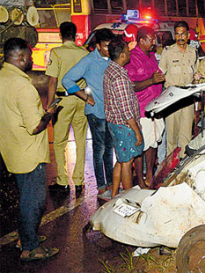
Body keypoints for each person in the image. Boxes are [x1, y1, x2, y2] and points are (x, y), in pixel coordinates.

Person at [0, 37, 60, 261]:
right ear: (22, 57)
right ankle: (30, 248)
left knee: (26, 197)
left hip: (11, 149)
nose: (32, 59)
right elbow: (35, 127)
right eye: (30, 55)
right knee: (33, 202)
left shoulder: (2, 77)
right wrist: (49, 113)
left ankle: (25, 237)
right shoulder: (22, 86)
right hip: (29, 153)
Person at [63, 29, 114, 199]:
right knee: (99, 150)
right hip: (96, 113)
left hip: (110, 112)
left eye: (111, 46)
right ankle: (101, 187)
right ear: (97, 46)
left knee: (109, 149)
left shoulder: (113, 58)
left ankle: (111, 184)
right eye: (106, 47)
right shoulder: (89, 61)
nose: (109, 49)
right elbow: (67, 79)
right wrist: (85, 97)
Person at [46, 22, 89, 193]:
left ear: (60, 35)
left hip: (63, 102)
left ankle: (63, 181)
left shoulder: (56, 53)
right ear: (75, 35)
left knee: (59, 142)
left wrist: (50, 106)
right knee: (80, 140)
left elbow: (52, 81)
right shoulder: (85, 53)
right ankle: (79, 180)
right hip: (81, 100)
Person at [124, 27, 165, 189]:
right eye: (151, 39)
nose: (154, 42)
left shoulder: (152, 56)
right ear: (141, 41)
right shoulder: (132, 58)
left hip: (156, 107)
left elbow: (157, 75)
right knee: (141, 145)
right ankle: (140, 178)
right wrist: (151, 81)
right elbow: (131, 86)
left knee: (154, 142)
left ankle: (150, 174)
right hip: (141, 110)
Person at [103, 38, 143, 199]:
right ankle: (128, 197)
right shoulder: (119, 77)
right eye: (127, 51)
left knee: (121, 159)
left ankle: (114, 194)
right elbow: (126, 110)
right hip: (124, 126)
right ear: (121, 55)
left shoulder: (110, 70)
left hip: (114, 123)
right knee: (127, 162)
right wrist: (137, 131)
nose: (129, 54)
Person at [158, 21, 199, 155]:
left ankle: (182, 165)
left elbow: (196, 75)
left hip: (187, 97)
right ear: (174, 36)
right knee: (171, 136)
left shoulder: (193, 52)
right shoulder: (168, 52)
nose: (180, 37)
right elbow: (160, 75)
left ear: (188, 35)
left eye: (183, 34)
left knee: (186, 135)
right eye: (177, 34)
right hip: (172, 98)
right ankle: (170, 168)